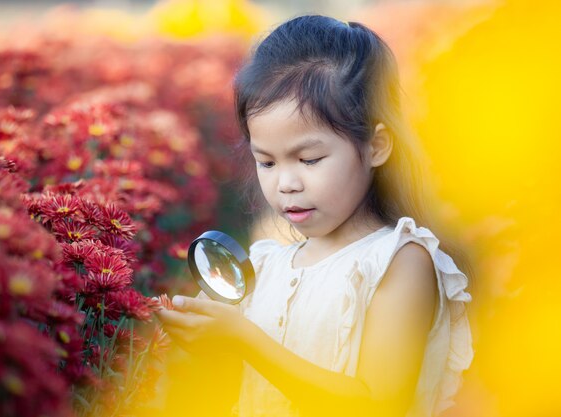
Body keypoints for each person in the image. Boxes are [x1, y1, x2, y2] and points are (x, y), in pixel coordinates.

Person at [156, 15, 473, 417]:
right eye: (266, 162)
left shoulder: (399, 261)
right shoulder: (269, 266)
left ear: (375, 146)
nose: (286, 183)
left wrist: (244, 339)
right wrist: (208, 340)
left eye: (309, 159)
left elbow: (380, 404)